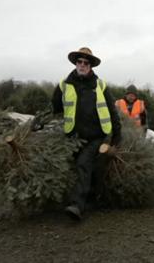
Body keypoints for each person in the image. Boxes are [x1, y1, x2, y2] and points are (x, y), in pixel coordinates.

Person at [52, 47, 122, 220]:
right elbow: (55, 107)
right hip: (73, 137)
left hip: (96, 136)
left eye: (86, 63)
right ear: (76, 63)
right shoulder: (64, 84)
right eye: (79, 62)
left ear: (91, 66)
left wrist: (117, 134)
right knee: (83, 168)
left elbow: (112, 110)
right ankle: (92, 198)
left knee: (84, 163)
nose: (82, 65)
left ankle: (77, 205)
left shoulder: (100, 85)